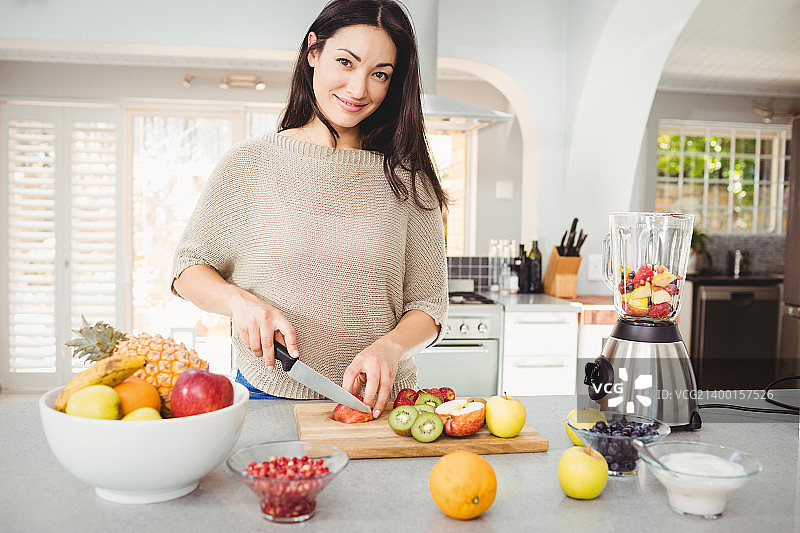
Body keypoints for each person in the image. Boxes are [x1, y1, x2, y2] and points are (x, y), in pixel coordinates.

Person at [170, 0, 448, 418]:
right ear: (313, 51)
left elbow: (429, 306)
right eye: (345, 62)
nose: (359, 89)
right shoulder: (250, 163)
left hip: (381, 403)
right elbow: (188, 269)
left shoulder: (408, 180)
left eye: (380, 74)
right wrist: (241, 303)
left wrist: (391, 347)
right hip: (268, 393)